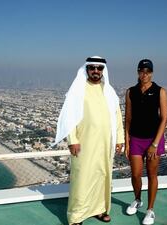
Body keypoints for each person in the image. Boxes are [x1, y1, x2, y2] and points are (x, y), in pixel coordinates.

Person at [53, 56, 124, 225]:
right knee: (82, 179)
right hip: (83, 143)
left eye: (99, 68)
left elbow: (117, 117)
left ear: (103, 70)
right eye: (92, 68)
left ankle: (99, 210)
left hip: (105, 143)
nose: (96, 71)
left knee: (102, 176)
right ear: (86, 69)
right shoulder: (78, 89)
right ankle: (76, 216)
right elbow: (69, 117)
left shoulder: (109, 91)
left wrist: (119, 139)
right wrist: (72, 140)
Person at [124, 59, 167, 225]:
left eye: (148, 71)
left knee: (151, 175)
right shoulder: (131, 92)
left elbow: (164, 119)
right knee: (135, 174)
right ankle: (137, 199)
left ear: (152, 73)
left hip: (153, 139)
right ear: (137, 72)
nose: (145, 74)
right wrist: (127, 141)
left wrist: (155, 144)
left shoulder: (160, 91)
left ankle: (150, 210)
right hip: (135, 138)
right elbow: (127, 119)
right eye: (142, 71)